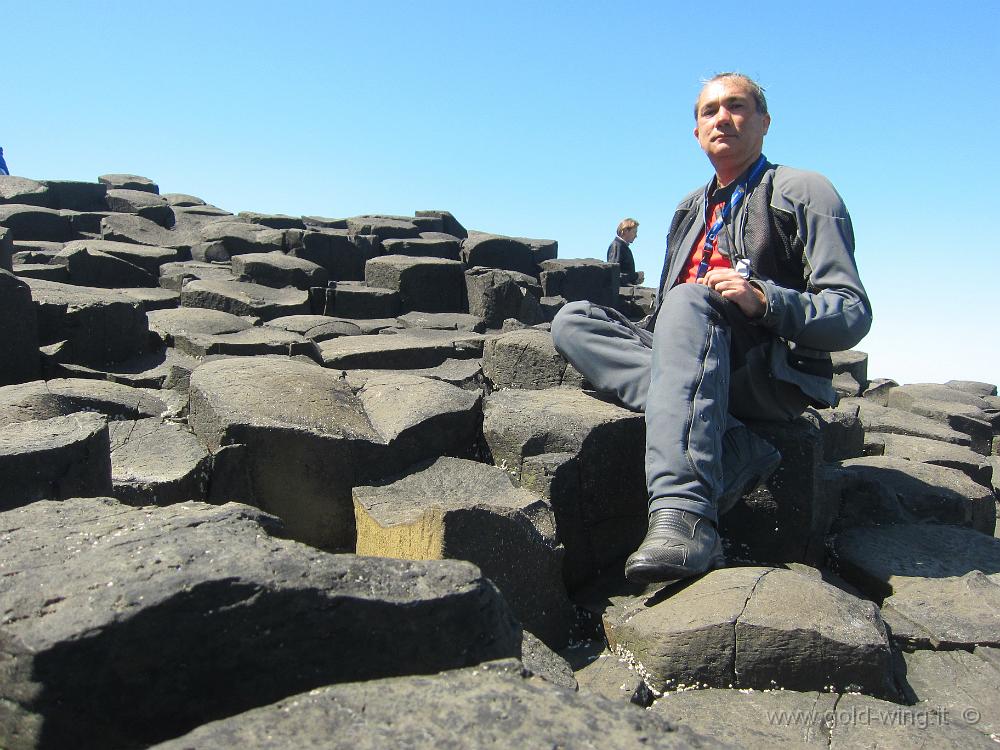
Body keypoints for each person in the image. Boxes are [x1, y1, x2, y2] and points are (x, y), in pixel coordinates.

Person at [552, 73, 871, 584]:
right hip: (688, 347)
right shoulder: (687, 209)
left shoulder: (803, 191)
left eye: (737, 106)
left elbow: (851, 311)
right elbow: (662, 315)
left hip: (767, 372)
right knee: (573, 321)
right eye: (709, 111)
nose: (722, 117)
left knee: (689, 300)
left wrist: (766, 300)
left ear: (764, 122)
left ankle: (684, 516)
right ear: (697, 131)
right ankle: (732, 442)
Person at [608, 218, 640, 285]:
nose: (636, 236)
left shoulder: (621, 247)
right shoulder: (617, 246)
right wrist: (636, 276)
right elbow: (613, 275)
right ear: (625, 231)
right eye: (634, 232)